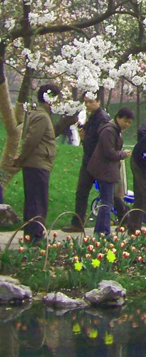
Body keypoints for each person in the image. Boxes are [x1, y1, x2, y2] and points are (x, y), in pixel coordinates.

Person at [13, 84, 73, 244]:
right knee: (37, 201)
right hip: (37, 164)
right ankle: (36, 235)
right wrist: (21, 158)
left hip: (38, 163)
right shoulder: (41, 116)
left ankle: (30, 234)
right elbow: (31, 140)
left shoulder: (41, 114)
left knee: (34, 199)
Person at [62, 92, 111, 233]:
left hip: (98, 161)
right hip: (88, 159)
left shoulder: (102, 118)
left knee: (108, 194)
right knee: (81, 191)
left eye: (91, 101)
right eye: (86, 102)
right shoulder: (91, 116)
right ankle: (77, 223)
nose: (88, 105)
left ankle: (123, 216)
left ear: (98, 101)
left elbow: (103, 141)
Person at [87, 108, 134, 237]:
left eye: (130, 123)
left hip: (108, 170)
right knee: (107, 203)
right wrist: (122, 154)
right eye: (125, 121)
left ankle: (99, 231)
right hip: (104, 170)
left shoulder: (116, 130)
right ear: (118, 117)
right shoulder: (109, 131)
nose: (127, 124)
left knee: (106, 201)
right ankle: (104, 232)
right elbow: (108, 152)